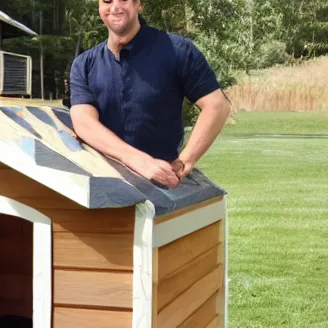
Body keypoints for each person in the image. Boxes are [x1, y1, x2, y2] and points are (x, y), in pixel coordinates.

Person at [69, 0, 231, 188]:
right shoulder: (84, 65)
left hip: (162, 186)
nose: (114, 7)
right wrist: (138, 161)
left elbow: (217, 106)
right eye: (107, 1)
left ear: (139, 4)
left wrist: (184, 162)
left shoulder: (177, 50)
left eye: (123, 0)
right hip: (103, 189)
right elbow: (84, 122)